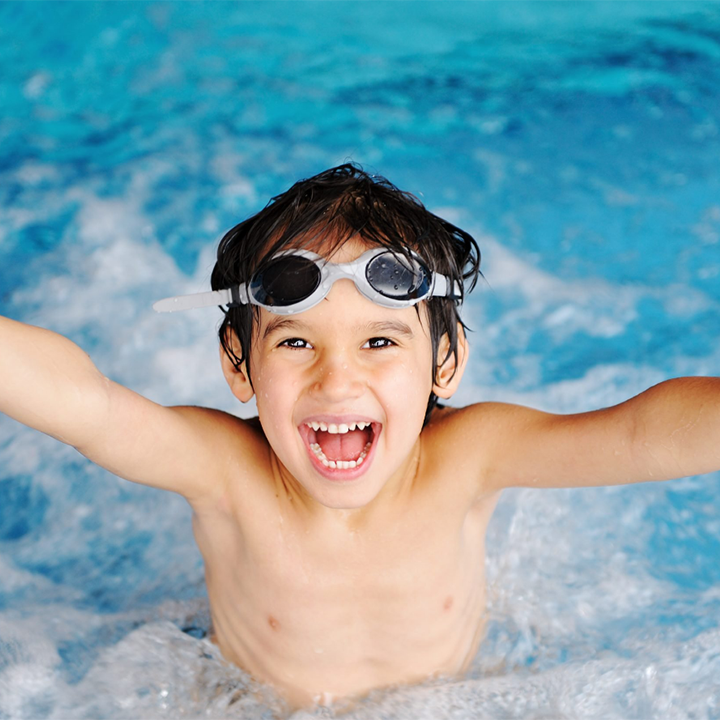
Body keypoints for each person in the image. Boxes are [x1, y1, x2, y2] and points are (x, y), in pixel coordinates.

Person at [1, 164, 719, 708]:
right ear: (236, 365)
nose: (336, 382)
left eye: (379, 341)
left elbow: (635, 435)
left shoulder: (470, 457)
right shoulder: (226, 473)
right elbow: (88, 407)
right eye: (294, 345)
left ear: (444, 362)